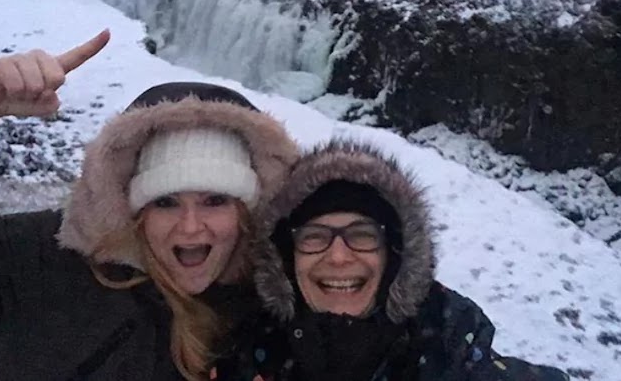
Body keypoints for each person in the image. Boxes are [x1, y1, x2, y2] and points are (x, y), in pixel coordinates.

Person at [0, 30, 300, 381]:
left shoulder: (279, 318)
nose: (190, 226)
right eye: (165, 202)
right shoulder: (46, 264)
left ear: (248, 213)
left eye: (215, 201)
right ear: (133, 210)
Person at [240, 141, 570, 381]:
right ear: (287, 258)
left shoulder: (447, 346)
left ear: (394, 255)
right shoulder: (245, 350)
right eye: (314, 236)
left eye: (362, 235)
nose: (338, 256)